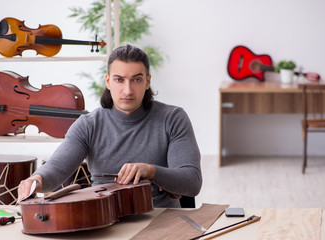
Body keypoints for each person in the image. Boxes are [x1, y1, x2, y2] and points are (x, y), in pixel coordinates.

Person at [18, 44, 202, 208]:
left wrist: (150, 170)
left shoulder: (173, 118)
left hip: (161, 221)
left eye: (136, 79)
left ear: (147, 81)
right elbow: (57, 168)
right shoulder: (88, 124)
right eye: (119, 80)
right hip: (102, 218)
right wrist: (36, 179)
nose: (128, 90)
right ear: (108, 81)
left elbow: (192, 182)